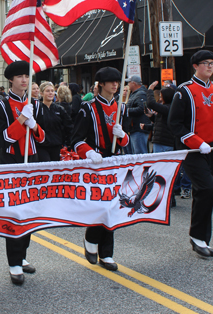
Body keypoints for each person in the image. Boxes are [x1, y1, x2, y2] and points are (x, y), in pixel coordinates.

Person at [168, 50, 213, 257]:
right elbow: (174, 123)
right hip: (192, 149)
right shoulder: (184, 91)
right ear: (195, 66)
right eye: (205, 63)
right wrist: (196, 141)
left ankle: (202, 237)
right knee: (206, 189)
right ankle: (197, 237)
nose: (210, 66)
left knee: (206, 191)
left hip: (211, 149)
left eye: (212, 63)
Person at [71, 67, 129, 271]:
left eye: (117, 81)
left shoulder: (122, 107)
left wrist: (121, 135)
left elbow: (125, 141)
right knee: (101, 206)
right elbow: (76, 140)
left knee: (113, 207)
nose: (115, 85)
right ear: (101, 85)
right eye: (110, 81)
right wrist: (89, 153)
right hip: (96, 163)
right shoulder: (87, 108)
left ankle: (107, 254)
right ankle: (91, 238)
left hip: (115, 163)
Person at [0, 61, 45, 285]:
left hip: (32, 160)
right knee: (15, 213)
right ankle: (14, 263)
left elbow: (42, 137)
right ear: (11, 80)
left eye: (27, 76)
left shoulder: (35, 103)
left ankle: (22, 256)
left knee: (30, 212)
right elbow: (4, 139)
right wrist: (22, 119)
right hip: (11, 161)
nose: (24, 80)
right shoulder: (1, 106)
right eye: (20, 76)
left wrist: (33, 125)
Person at [37, 82, 73, 161]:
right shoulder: (37, 109)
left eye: (52, 91)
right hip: (41, 146)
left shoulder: (59, 109)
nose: (50, 93)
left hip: (57, 145)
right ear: (41, 93)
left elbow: (69, 126)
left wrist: (68, 143)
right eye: (48, 91)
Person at [125, 75, 151, 154]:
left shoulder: (141, 94)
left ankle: (143, 166)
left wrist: (126, 111)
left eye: (129, 82)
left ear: (133, 83)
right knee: (136, 153)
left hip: (139, 128)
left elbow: (141, 109)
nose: (128, 84)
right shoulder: (135, 94)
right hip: (134, 127)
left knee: (140, 154)